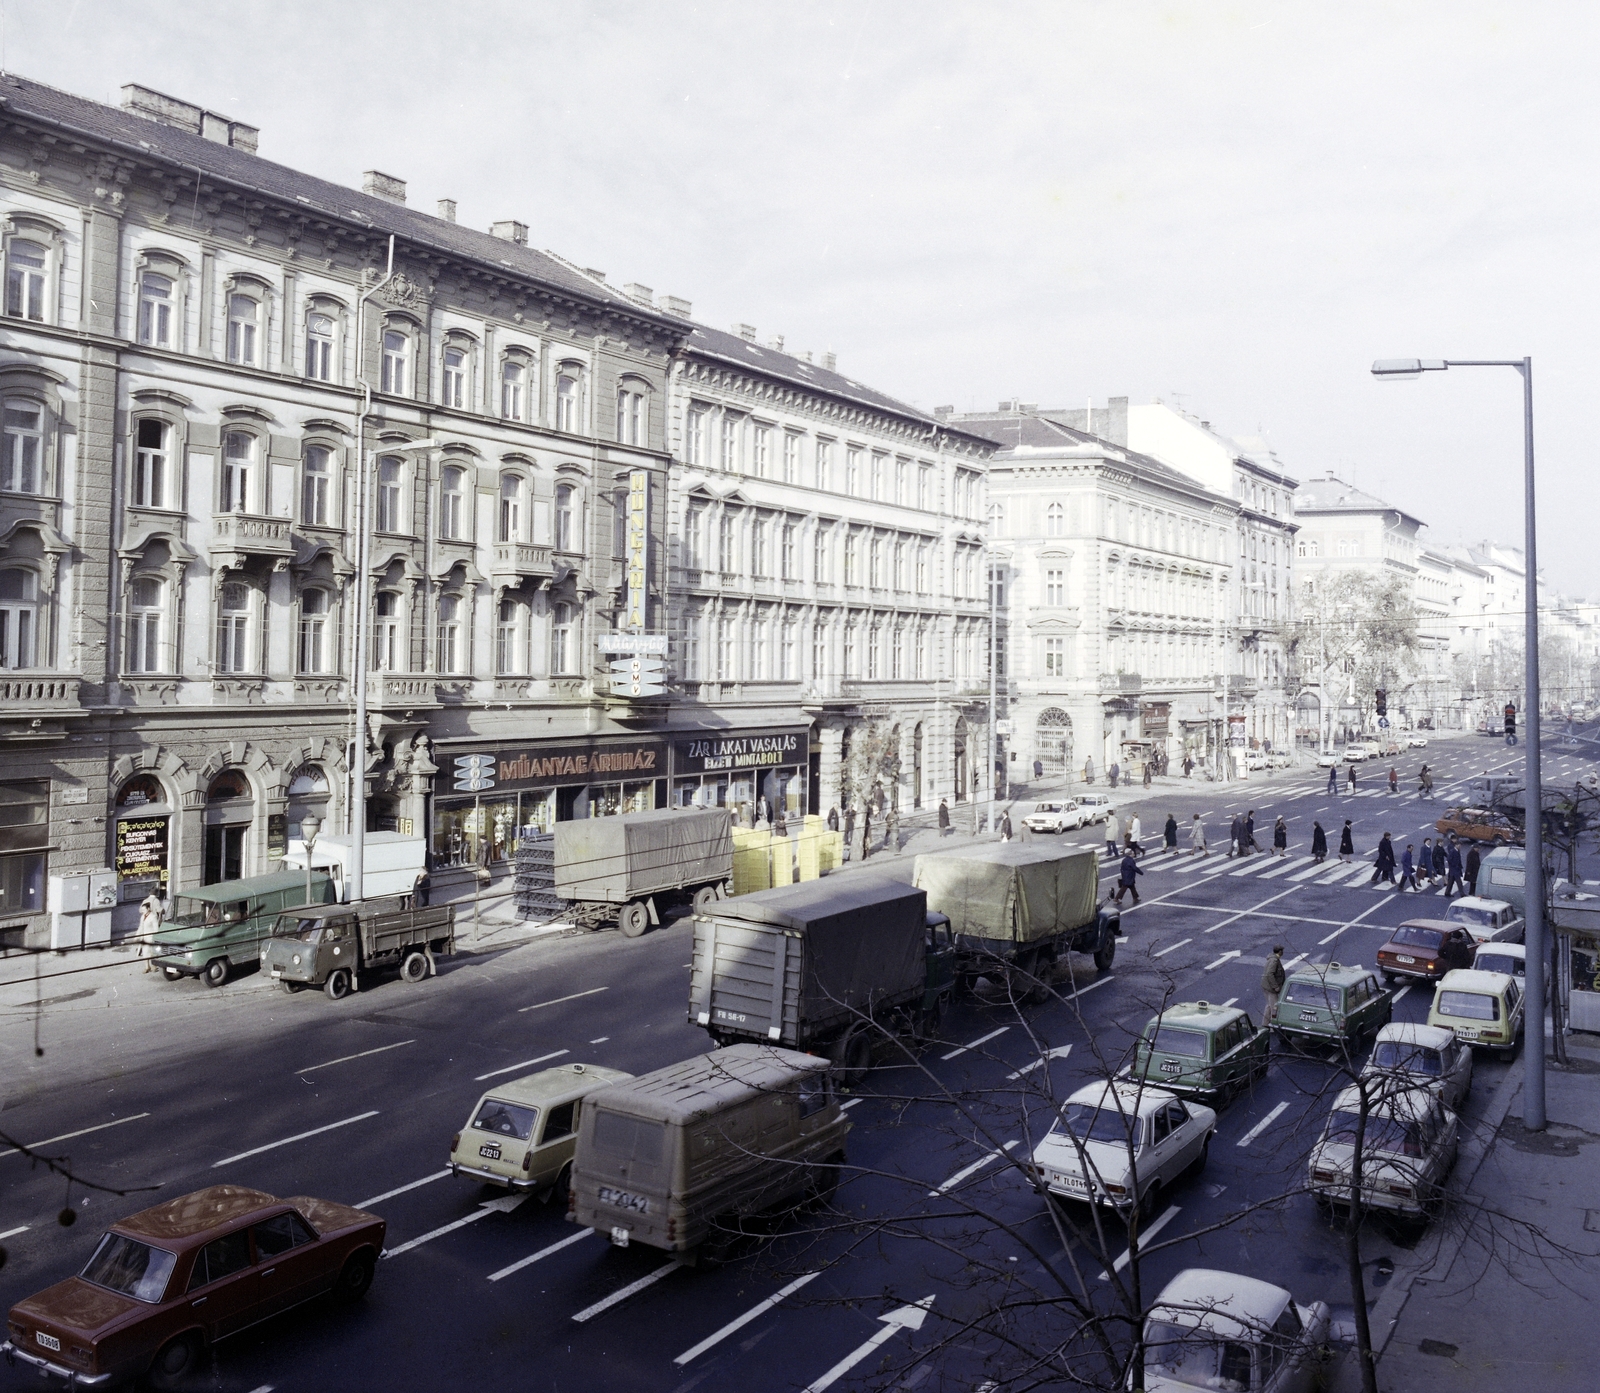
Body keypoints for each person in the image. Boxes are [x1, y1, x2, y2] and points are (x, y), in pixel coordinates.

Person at [137, 890, 165, 972]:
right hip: (152, 923)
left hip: (148, 923)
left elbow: (140, 910)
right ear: (156, 894)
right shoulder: (156, 901)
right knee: (151, 949)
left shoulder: (145, 900)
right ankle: (152, 965)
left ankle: (149, 966)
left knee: (148, 949)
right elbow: (159, 910)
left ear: (149, 893)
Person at [1261, 945, 1287, 1025]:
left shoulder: (1273, 959)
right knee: (1274, 1008)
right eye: (1282, 950)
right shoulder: (1274, 961)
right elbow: (1270, 974)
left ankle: (1265, 1024)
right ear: (1279, 951)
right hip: (1271, 989)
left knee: (1269, 1006)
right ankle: (1273, 1027)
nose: (1283, 952)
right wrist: (1275, 986)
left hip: (1266, 986)